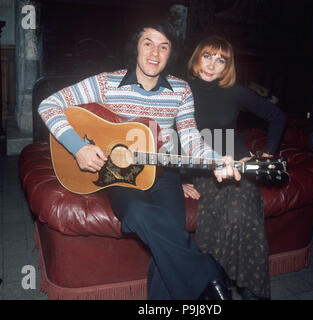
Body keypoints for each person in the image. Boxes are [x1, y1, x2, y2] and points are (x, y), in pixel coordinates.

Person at [37, 21, 240, 300]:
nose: (155, 53)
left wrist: (218, 160)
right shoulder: (107, 83)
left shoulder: (180, 90)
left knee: (166, 238)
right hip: (121, 176)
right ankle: (209, 270)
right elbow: (48, 105)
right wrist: (78, 147)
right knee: (137, 214)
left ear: (171, 54)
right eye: (148, 43)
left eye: (164, 46)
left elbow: (192, 140)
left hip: (164, 175)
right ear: (136, 47)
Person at [182, 35, 286, 300]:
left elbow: (277, 116)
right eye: (208, 56)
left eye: (221, 61)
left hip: (241, 167)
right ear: (197, 57)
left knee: (240, 214)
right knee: (220, 216)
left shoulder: (234, 91)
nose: (212, 65)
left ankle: (250, 293)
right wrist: (180, 180)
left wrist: (266, 155)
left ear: (227, 67)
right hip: (205, 170)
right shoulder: (180, 91)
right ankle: (218, 286)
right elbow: (170, 139)